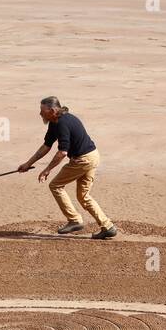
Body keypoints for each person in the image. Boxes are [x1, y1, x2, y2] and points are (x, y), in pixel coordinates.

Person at [18, 95, 118, 239]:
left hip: (83, 160)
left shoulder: (62, 123)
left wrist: (47, 170)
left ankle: (74, 220)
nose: (40, 114)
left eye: (42, 111)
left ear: (52, 110)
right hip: (92, 156)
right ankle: (108, 227)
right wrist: (28, 164)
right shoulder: (55, 122)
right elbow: (46, 146)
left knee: (55, 186)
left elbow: (62, 152)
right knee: (83, 196)